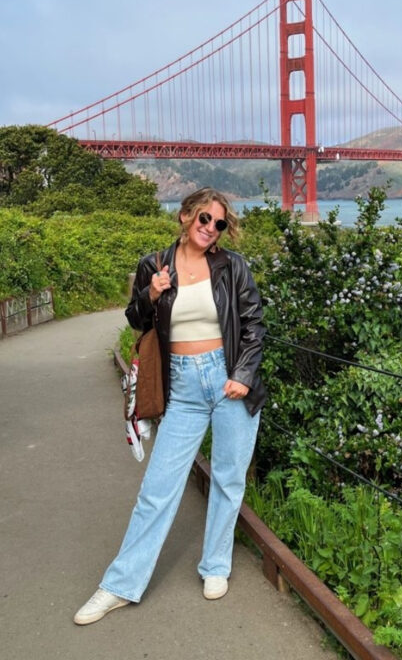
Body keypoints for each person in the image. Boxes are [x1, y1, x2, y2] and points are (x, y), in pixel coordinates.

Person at [74, 187, 266, 625]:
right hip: (182, 385)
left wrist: (243, 374)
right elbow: (136, 320)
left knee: (228, 479)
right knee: (157, 490)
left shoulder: (232, 266)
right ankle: (120, 585)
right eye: (203, 219)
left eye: (219, 224)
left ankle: (215, 565)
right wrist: (151, 295)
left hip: (228, 377)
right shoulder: (153, 265)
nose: (210, 229)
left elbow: (253, 324)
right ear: (184, 216)